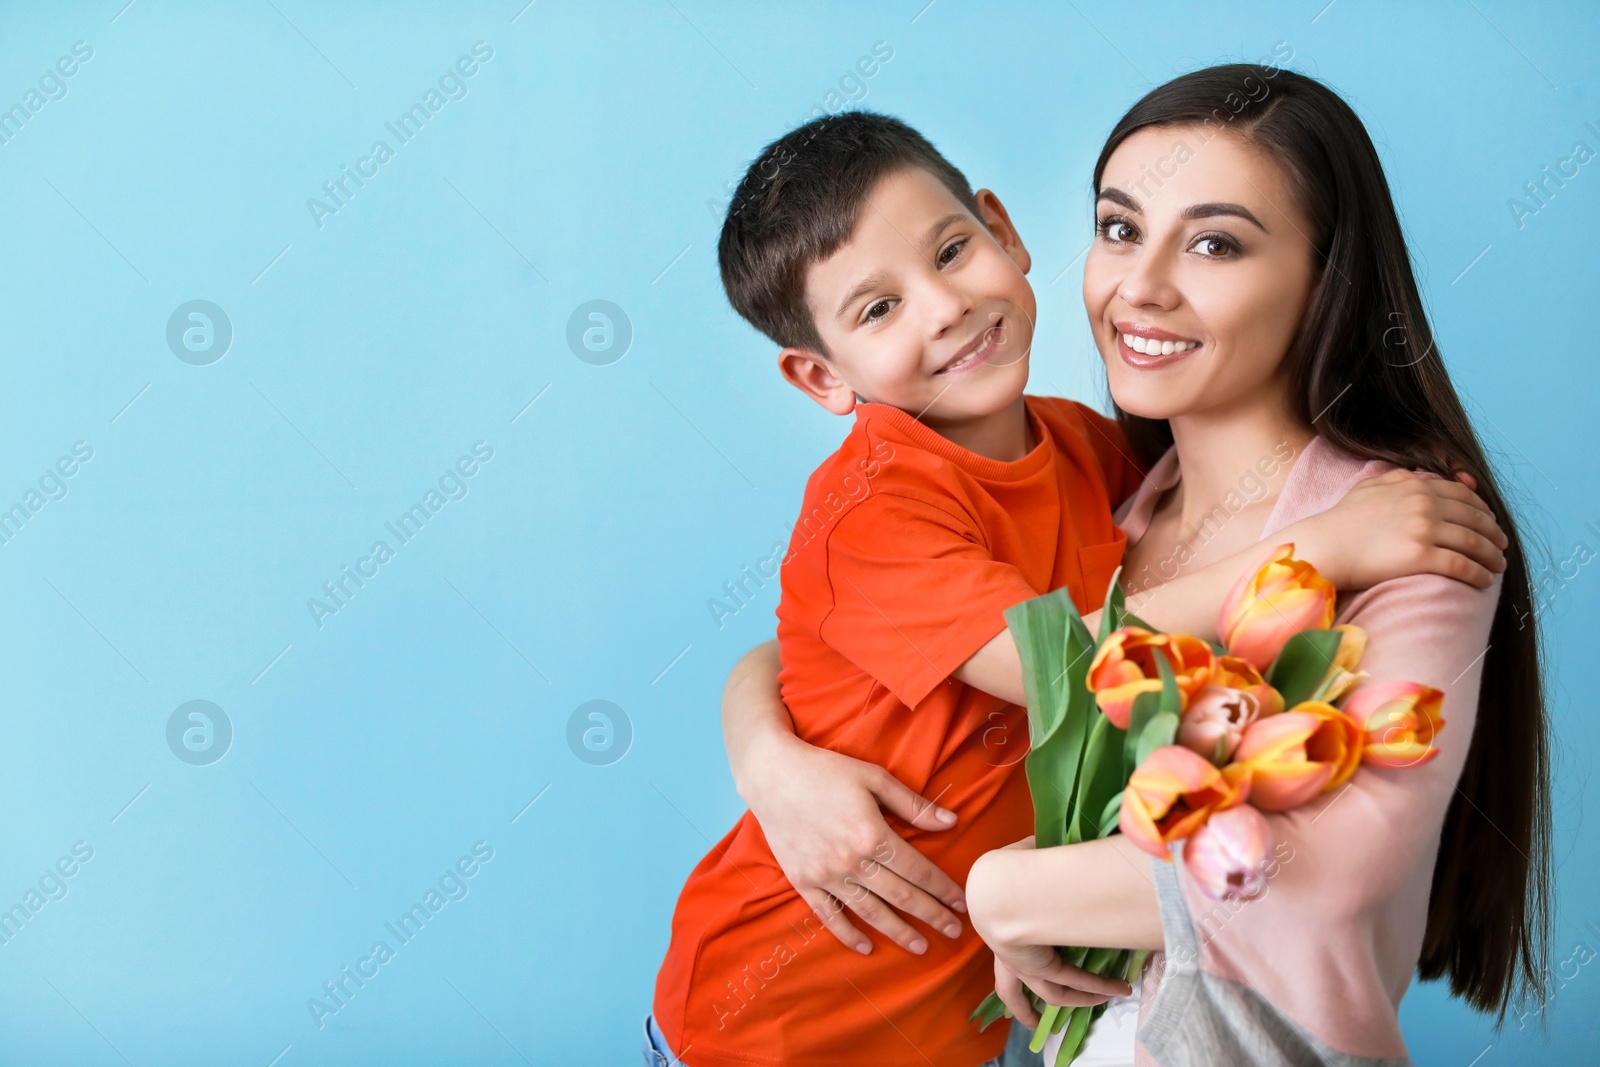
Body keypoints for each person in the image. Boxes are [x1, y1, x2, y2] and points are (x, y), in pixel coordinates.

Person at [653, 108, 1508, 1067]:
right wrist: (1323, 548)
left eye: (949, 252)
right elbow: (1053, 661)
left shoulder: (1098, 456)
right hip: (774, 1017)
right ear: (819, 375)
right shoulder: (870, 509)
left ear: (1002, 230)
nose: (940, 309)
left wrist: (768, 738)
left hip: (965, 1029)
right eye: (878, 308)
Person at [961, 66, 1551, 1065]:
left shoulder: (1410, 524)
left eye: (1213, 243)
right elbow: (887, 628)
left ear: (1328, 279)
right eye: (1117, 228)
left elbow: (1325, 870)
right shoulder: (1106, 502)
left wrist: (1005, 888)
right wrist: (773, 748)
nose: (1139, 285)